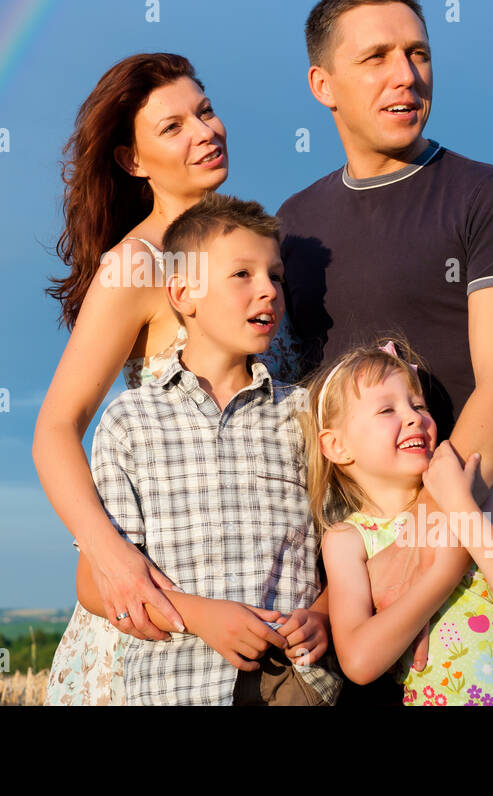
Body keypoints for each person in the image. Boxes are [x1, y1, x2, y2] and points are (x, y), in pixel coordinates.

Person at [266, 0, 493, 704]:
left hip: (484, 520)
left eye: (419, 53)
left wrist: (429, 536)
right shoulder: (294, 227)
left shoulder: (491, 196)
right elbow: (304, 409)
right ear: (323, 84)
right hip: (358, 563)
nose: (407, 75)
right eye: (377, 57)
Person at [73, 193, 340, 704]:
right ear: (183, 292)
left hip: (295, 685)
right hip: (176, 683)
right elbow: (97, 582)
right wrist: (202, 616)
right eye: (242, 275)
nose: (268, 290)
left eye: (276, 276)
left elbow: (348, 547)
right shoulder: (130, 424)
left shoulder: (306, 415)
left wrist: (325, 615)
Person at [37, 53, 229, 705]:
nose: (205, 132)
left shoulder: (255, 251)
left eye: (204, 112)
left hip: (249, 578)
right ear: (131, 161)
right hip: (166, 594)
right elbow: (56, 428)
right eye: (173, 126)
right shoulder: (135, 266)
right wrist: (113, 562)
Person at [302, 339, 493, 705]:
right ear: (337, 446)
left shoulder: (477, 498)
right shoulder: (348, 540)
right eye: (386, 410)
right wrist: (441, 572)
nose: (413, 417)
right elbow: (359, 661)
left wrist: (459, 504)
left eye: (418, 405)